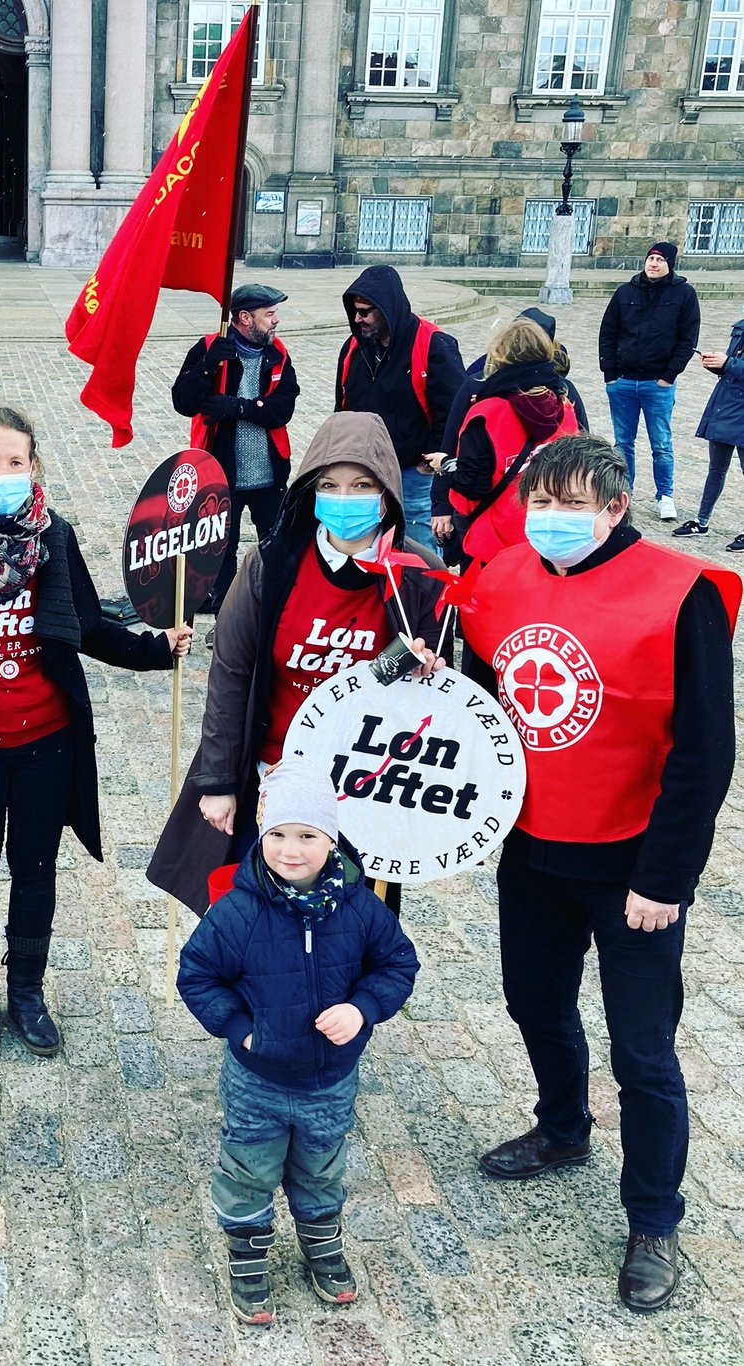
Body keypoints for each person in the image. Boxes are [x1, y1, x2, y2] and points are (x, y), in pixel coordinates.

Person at [460, 433, 738, 1313]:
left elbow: (705, 751)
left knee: (644, 1050)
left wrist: (667, 879)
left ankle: (654, 1218)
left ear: (615, 507)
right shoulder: (502, 579)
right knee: (532, 1001)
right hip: (534, 850)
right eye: (540, 503)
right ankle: (563, 1126)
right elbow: (479, 699)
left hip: (632, 865)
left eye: (572, 503)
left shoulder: (679, 593)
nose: (553, 519)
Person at [0, 406, 192, 1057]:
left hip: (44, 745)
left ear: (33, 467)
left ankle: (26, 989)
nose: (3, 472)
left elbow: (87, 626)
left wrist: (155, 649)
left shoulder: (55, 538)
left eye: (14, 462)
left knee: (36, 870)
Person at [147, 411, 444, 916]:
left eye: (362, 484)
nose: (345, 498)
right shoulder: (272, 564)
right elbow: (231, 673)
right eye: (330, 484)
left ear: (387, 492)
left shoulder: (419, 576)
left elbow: (435, 703)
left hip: (365, 790)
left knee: (352, 933)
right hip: (274, 780)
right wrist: (218, 783)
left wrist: (425, 672)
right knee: (261, 930)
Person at [177, 757, 419, 1323]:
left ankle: (321, 1244)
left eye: (308, 836)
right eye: (278, 834)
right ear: (262, 835)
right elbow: (198, 974)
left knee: (321, 1166)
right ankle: (248, 1253)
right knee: (249, 1168)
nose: (291, 850)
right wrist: (240, 1030)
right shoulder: (237, 911)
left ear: (331, 841)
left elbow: (396, 964)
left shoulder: (361, 907)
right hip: (257, 1078)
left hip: (330, 1080)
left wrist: (362, 1009)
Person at [172, 283, 299, 612]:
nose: (276, 320)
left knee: (276, 546)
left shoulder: (278, 354)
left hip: (269, 475)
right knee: (220, 549)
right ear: (245, 318)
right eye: (269, 314)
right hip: (222, 474)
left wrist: (233, 407)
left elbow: (280, 410)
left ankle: (276, 607)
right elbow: (184, 401)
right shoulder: (211, 348)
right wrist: (205, 367)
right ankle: (224, 613)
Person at [334, 265, 465, 556]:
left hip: (414, 473)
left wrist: (428, 461)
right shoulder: (355, 347)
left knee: (419, 547)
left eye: (366, 311)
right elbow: (342, 405)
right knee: (364, 543)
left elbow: (455, 411)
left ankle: (427, 599)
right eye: (355, 311)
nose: (358, 318)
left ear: (386, 308)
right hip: (365, 467)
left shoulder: (434, 345)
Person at [442, 316, 580, 569]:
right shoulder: (566, 409)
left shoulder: (486, 413)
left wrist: (448, 469)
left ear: (500, 357)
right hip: (547, 539)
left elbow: (470, 488)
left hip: (494, 542)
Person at [598, 242, 701, 521]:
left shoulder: (684, 294)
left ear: (670, 264)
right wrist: (609, 373)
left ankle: (665, 495)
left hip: (658, 383)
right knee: (623, 442)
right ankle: (623, 492)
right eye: (651, 258)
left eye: (660, 259)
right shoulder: (625, 293)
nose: (654, 263)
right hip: (622, 382)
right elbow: (608, 332)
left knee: (661, 444)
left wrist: (669, 376)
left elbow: (687, 338)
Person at [674, 305, 744, 548]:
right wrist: (717, 364)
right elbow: (732, 367)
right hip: (726, 406)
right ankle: (701, 521)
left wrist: (729, 363)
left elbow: (735, 365)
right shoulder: (740, 328)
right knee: (716, 469)